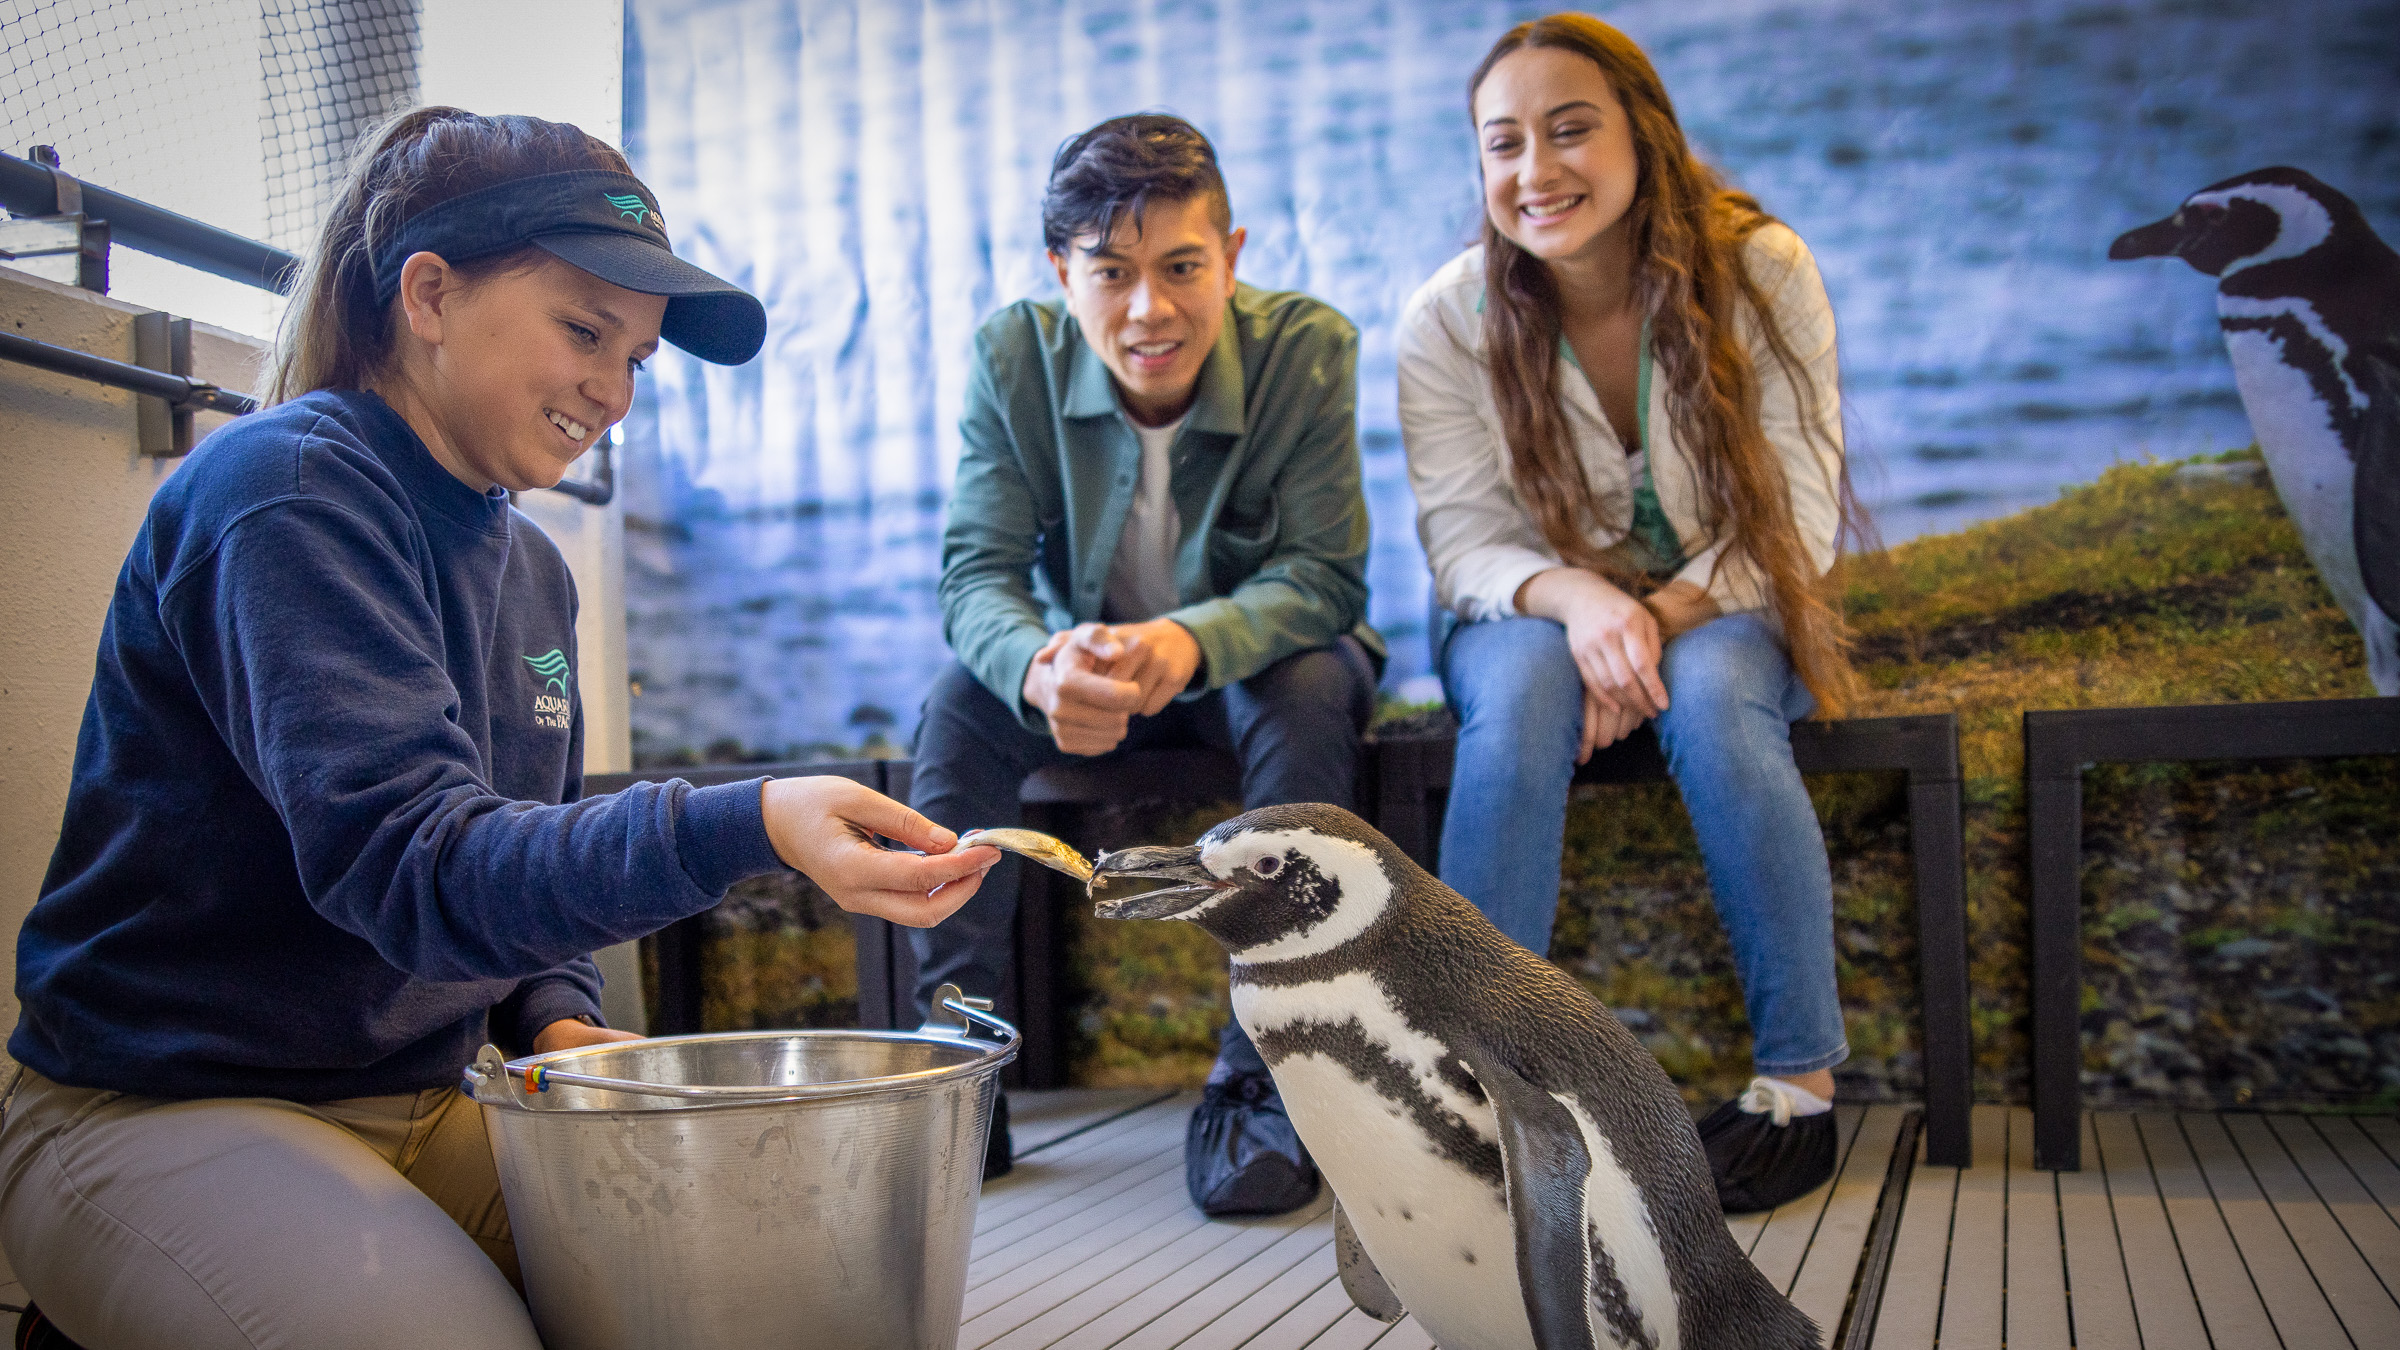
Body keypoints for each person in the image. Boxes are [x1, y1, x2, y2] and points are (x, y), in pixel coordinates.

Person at [0, 109, 998, 1350]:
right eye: (586, 331)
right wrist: (751, 820)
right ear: (428, 292)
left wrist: (555, 1019)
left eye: (637, 358)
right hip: (156, 1105)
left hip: (430, 1096)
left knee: (776, 1289)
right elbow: (420, 867)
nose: (614, 392)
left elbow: (526, 843)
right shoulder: (285, 493)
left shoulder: (533, 567)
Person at [1398, 14, 1865, 1213]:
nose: (1535, 171)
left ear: (1643, 135)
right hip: (1534, 605)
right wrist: (1581, 601)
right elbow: (1464, 544)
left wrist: (1646, 621)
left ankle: (1800, 1090)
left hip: (1733, 591)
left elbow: (1798, 521)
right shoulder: (1446, 321)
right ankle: (1476, 1084)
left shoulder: (1761, 269)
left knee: (1714, 702)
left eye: (1570, 130)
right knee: (1518, 697)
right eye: (1503, 144)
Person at [911, 113, 1381, 1216]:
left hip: (1249, 678)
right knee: (957, 705)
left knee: (1313, 686)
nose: (1148, 310)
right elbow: (974, 576)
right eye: (1111, 273)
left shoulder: (1309, 347)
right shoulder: (1009, 356)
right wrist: (1037, 667)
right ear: (1059, 272)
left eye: (1182, 268)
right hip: (1086, 671)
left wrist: (1186, 641)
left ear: (1235, 254)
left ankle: (1269, 1075)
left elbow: (1326, 578)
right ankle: (960, 1070)